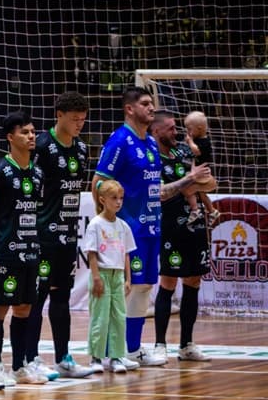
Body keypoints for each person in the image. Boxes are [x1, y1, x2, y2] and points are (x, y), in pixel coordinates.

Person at [91, 87, 210, 368]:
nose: (151, 108)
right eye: (145, 104)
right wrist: (107, 224)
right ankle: (110, 350)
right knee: (124, 288)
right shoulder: (119, 141)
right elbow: (98, 182)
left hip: (151, 227)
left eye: (152, 104)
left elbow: (157, 191)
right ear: (129, 109)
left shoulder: (150, 145)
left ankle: (131, 348)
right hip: (127, 229)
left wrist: (186, 181)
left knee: (144, 288)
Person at [27, 91, 95, 379]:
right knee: (36, 296)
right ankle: (29, 358)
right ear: (59, 116)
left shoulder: (81, 149)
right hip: (42, 233)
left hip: (68, 234)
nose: (80, 124)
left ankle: (63, 358)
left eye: (83, 119)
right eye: (75, 119)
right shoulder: (41, 146)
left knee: (62, 296)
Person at [0, 111, 47, 385]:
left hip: (31, 249)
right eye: (25, 132)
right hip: (6, 251)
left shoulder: (37, 173)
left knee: (24, 309)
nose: (31, 136)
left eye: (33, 132)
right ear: (10, 137)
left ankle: (20, 366)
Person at [152, 111, 216, 362]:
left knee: (193, 283)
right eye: (170, 128)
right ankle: (159, 344)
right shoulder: (153, 158)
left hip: (196, 225)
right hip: (170, 227)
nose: (175, 132)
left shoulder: (183, 152)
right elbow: (161, 193)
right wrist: (189, 181)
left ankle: (187, 344)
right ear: (157, 131)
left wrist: (197, 183)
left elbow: (211, 183)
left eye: (176, 128)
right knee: (167, 284)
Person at [85, 180, 135, 372]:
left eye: (121, 198)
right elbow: (92, 253)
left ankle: (116, 357)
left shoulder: (123, 226)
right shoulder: (96, 224)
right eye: (114, 198)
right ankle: (96, 357)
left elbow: (126, 253)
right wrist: (96, 278)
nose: (118, 202)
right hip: (102, 274)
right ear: (102, 199)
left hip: (118, 276)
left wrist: (128, 279)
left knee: (119, 317)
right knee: (100, 317)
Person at [180, 111, 219, 227]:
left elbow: (196, 151)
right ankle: (212, 211)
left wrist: (190, 142)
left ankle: (195, 209)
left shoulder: (204, 141)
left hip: (202, 173)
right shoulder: (197, 139)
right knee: (202, 194)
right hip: (197, 171)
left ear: (200, 128)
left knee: (186, 189)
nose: (188, 133)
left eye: (190, 129)